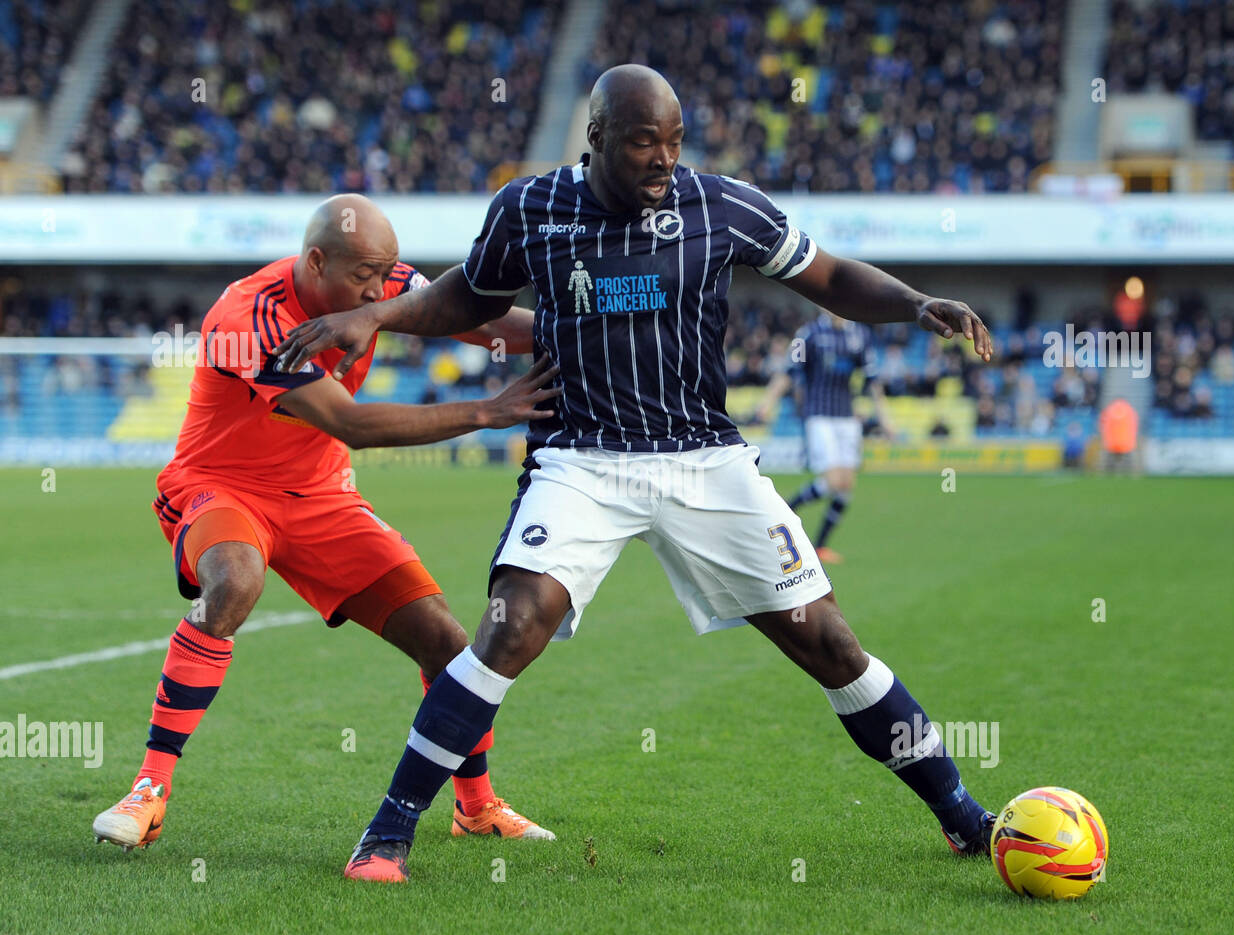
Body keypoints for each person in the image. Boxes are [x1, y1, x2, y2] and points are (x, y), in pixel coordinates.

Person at [275, 67, 999, 884]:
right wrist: (376, 312)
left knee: (831, 643)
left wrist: (914, 302)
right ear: (597, 139)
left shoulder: (721, 205)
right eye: (643, 141)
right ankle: (386, 836)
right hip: (582, 456)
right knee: (510, 629)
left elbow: (826, 276)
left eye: (674, 140)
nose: (663, 158)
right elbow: (466, 300)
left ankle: (965, 815)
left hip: (703, 456)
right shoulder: (530, 209)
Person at [92, 194, 560, 857]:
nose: (381, 290)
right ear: (317, 262)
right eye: (367, 275)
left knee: (448, 643)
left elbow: (476, 322)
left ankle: (477, 807)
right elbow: (350, 423)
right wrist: (487, 411)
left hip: (320, 496)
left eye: (389, 273)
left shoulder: (384, 281)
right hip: (223, 486)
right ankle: (149, 790)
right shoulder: (246, 317)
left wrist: (582, 325)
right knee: (233, 584)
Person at [755, 311, 890, 564]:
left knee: (845, 486)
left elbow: (873, 381)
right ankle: (784, 511)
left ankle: (819, 545)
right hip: (819, 416)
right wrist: (767, 402)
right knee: (834, 480)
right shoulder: (809, 334)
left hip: (847, 418)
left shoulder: (860, 335)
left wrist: (885, 418)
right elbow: (788, 371)